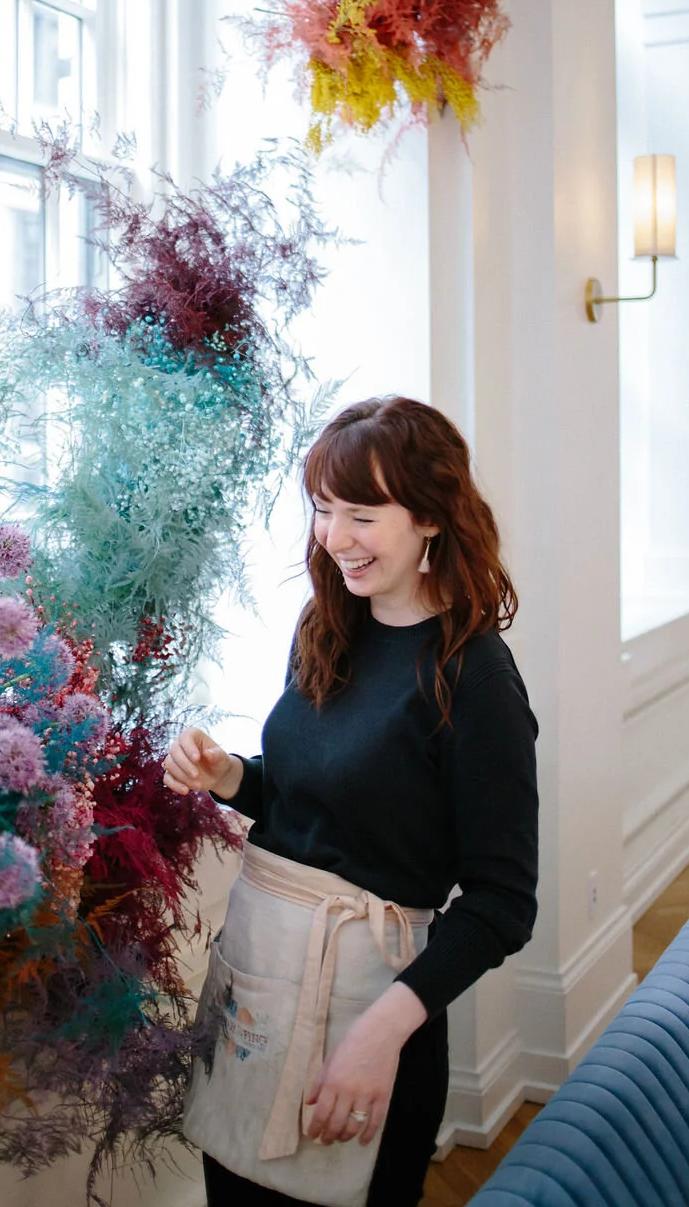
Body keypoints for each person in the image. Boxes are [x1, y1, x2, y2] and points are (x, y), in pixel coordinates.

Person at [163, 396, 539, 1207]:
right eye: (324, 508)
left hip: (371, 1014)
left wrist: (382, 1034)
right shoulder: (326, 625)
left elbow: (503, 903)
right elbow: (317, 802)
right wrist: (230, 776)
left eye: (362, 515)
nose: (335, 537)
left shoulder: (476, 678)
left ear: (431, 517)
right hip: (256, 984)